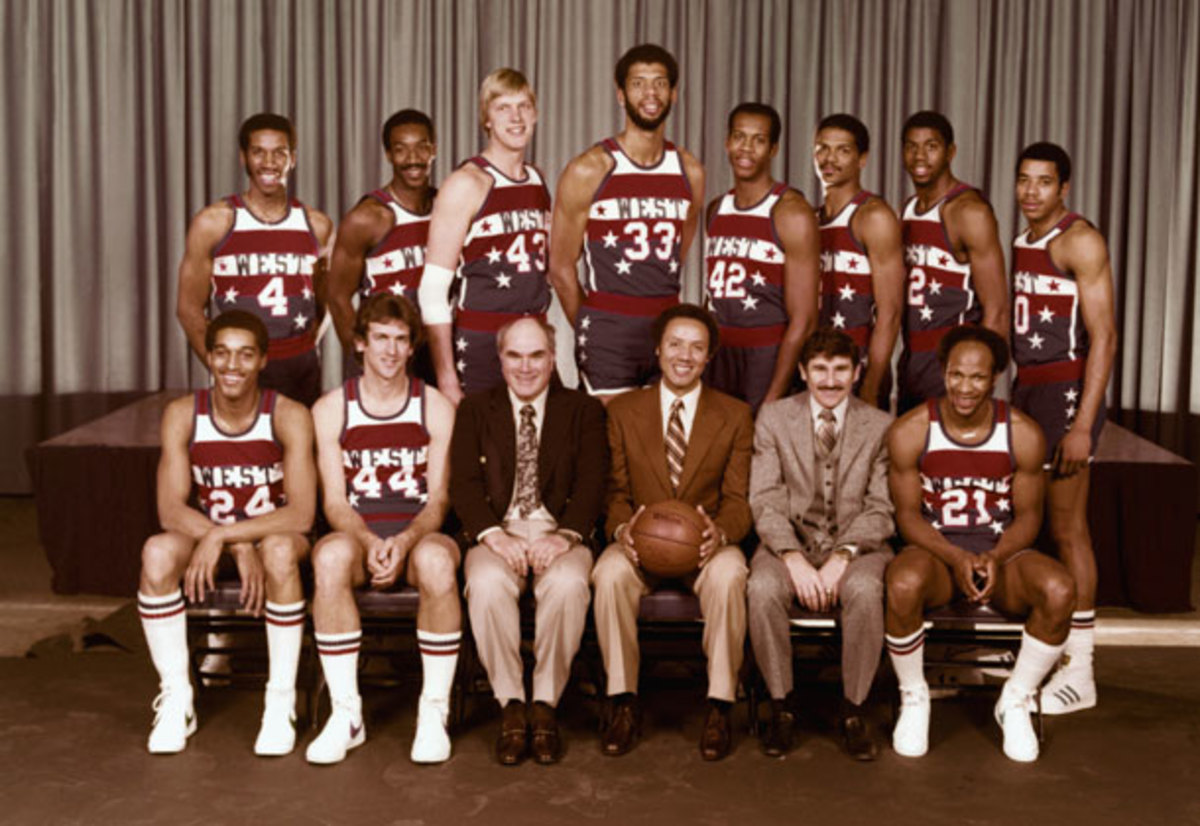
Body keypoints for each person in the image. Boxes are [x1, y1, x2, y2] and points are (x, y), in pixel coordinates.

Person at [884, 325, 1076, 762]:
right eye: (956, 375)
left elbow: (1029, 517)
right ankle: (915, 696)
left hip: (1001, 555)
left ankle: (1016, 698)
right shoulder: (911, 430)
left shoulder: (1022, 433)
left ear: (994, 379)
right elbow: (907, 515)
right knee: (901, 584)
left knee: (1060, 589)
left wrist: (993, 556)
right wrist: (954, 557)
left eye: (976, 377)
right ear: (943, 372)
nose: (964, 387)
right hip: (937, 552)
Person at [137, 310, 316, 755]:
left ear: (261, 361)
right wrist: (231, 542)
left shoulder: (288, 415)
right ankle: (178, 696)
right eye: (221, 354)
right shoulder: (183, 414)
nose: (231, 366)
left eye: (244, 355)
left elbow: (302, 514)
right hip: (211, 537)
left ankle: (280, 700)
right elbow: (169, 509)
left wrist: (227, 536)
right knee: (156, 553)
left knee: (276, 550)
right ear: (208, 359)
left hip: (274, 534)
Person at [592, 303, 753, 761]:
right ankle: (623, 700)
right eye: (676, 344)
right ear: (659, 349)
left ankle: (720, 704)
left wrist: (719, 534)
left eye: (697, 347)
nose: (685, 355)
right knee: (608, 576)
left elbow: (740, 500)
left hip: (703, 544)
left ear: (709, 358)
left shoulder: (736, 415)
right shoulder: (623, 410)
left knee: (730, 576)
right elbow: (615, 491)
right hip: (642, 543)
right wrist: (623, 528)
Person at [305, 294, 461, 765]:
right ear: (360, 344)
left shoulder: (434, 406)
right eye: (381, 339)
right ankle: (346, 713)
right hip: (359, 537)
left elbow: (438, 501)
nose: (391, 351)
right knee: (328, 557)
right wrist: (370, 541)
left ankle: (433, 711)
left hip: (418, 535)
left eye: (400, 340)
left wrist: (403, 541)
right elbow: (333, 501)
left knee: (436, 562)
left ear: (412, 347)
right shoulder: (331, 408)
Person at [450, 318, 609, 765]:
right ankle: (511, 705)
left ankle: (545, 703)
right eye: (515, 355)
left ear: (552, 357)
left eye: (536, 355)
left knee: (568, 586)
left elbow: (593, 483)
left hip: (560, 531)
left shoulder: (583, 410)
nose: (525, 367)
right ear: (500, 359)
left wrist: (564, 536)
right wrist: (493, 536)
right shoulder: (475, 410)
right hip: (496, 532)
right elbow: (463, 483)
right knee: (485, 585)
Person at [747, 328, 894, 760]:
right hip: (789, 541)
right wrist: (792, 557)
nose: (830, 381)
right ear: (802, 372)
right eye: (820, 369)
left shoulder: (881, 425)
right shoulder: (773, 418)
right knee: (761, 589)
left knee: (866, 591)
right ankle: (781, 706)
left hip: (858, 546)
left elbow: (881, 506)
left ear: (856, 372)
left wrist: (843, 556)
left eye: (841, 370)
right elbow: (765, 499)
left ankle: (854, 709)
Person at [1011, 142, 1117, 715]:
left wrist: (1083, 425)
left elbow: (1105, 335)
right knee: (1029, 521)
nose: (1031, 192)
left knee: (1069, 527)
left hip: (1067, 389)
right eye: (1024, 180)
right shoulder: (1024, 237)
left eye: (1043, 182)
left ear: (1064, 188)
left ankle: (1082, 668)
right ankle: (1040, 651)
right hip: (1029, 385)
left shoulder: (1080, 240)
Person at [549, 43, 705, 400]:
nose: (650, 93)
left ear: (674, 93)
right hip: (608, 329)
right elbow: (559, 266)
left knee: (663, 444)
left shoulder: (689, 170)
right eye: (638, 83)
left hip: (667, 327)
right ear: (621, 95)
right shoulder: (589, 169)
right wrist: (595, 323)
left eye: (660, 83)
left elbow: (676, 254)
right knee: (610, 442)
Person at [176, 113, 334, 407]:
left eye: (279, 153)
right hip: (243, 365)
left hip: (300, 368)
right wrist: (225, 366)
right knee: (243, 453)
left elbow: (325, 303)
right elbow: (188, 309)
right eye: (258, 152)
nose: (269, 163)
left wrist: (307, 347)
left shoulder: (317, 225)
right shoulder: (214, 222)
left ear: (293, 159)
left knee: (301, 451)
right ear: (243, 158)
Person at [418, 69, 552, 405]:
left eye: (523, 106)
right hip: (481, 343)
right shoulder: (467, 183)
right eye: (503, 107)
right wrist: (447, 377)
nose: (516, 117)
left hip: (531, 341)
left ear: (535, 114)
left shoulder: (537, 179)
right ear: (487, 119)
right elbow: (432, 291)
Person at [703, 102, 819, 412]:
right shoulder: (716, 209)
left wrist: (773, 398)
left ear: (773, 149)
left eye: (759, 139)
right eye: (740, 137)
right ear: (727, 142)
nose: (747, 148)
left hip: (766, 355)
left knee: (762, 454)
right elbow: (713, 294)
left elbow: (805, 319)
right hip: (720, 355)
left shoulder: (791, 212)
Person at [898, 111, 1007, 413]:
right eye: (911, 146)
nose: (920, 156)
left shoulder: (968, 211)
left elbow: (996, 309)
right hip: (912, 358)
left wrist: (977, 379)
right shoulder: (909, 208)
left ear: (951, 151)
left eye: (931, 146)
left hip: (952, 362)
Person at [327, 109, 438, 382]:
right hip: (389, 350)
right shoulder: (369, 217)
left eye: (421, 148)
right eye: (401, 150)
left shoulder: (445, 206)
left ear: (433, 150)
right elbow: (337, 295)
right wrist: (362, 359)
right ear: (388, 155)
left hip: (437, 347)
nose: (413, 159)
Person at [813, 114, 904, 410]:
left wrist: (871, 385)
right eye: (822, 148)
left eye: (843, 150)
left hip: (858, 368)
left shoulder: (874, 217)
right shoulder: (810, 218)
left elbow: (890, 313)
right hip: (816, 368)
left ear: (862, 159)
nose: (830, 158)